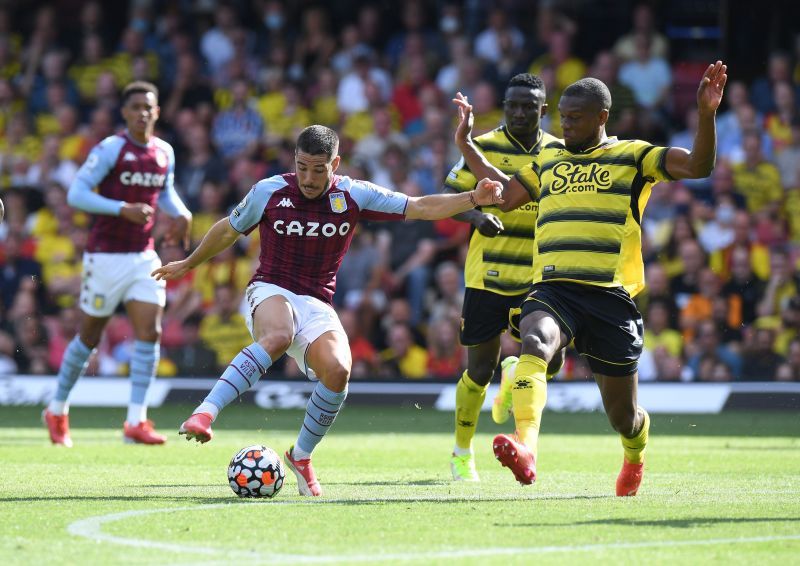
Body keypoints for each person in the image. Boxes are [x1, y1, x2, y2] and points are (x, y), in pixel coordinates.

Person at [151, 125, 503, 496]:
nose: (308, 178)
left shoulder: (353, 194)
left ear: (335, 163)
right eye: (302, 167)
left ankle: (301, 456)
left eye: (318, 169)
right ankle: (205, 413)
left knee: (338, 371)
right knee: (278, 335)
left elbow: (419, 206)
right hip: (270, 288)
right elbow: (229, 229)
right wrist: (189, 263)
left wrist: (473, 198)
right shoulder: (270, 191)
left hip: (317, 302)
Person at [452, 61, 727, 495]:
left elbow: (698, 166)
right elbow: (504, 197)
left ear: (603, 117)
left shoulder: (634, 155)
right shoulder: (549, 158)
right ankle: (526, 448)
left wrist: (706, 115)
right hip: (553, 287)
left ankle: (634, 453)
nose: (567, 125)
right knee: (534, 341)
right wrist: (467, 146)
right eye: (562, 117)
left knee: (624, 416)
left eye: (576, 118)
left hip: (609, 295)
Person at [43, 81, 192, 447]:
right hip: (105, 256)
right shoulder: (112, 149)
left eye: (148, 107)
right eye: (136, 106)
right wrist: (120, 209)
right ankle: (57, 408)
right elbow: (77, 193)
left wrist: (182, 213)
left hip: (143, 256)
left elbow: (165, 191)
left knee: (150, 331)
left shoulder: (164, 152)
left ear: (157, 113)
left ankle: (136, 421)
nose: (142, 112)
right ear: (125, 113)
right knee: (90, 336)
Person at [441, 73, 565, 482]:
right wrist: (476, 215)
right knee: (479, 370)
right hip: (488, 276)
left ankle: (515, 376)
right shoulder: (485, 146)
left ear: (543, 110)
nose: (519, 112)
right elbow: (449, 201)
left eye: (529, 106)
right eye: (512, 105)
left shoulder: (559, 153)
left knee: (554, 360)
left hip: (539, 278)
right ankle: (461, 453)